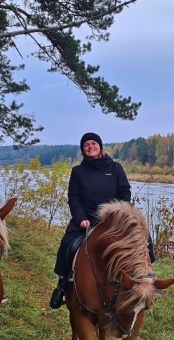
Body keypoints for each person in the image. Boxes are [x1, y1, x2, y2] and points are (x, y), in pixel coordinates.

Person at [49, 132, 155, 309]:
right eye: (86, 145)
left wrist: (120, 214)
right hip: (86, 220)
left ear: (100, 146)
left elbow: (124, 192)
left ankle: (148, 277)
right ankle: (62, 286)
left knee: (144, 239)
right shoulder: (78, 171)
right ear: (83, 150)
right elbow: (73, 198)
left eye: (93, 143)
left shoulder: (115, 168)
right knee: (67, 245)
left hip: (113, 220)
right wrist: (81, 218)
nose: (90, 146)